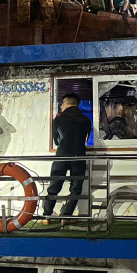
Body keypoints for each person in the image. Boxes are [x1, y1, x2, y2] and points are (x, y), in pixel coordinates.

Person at [42, 93, 93, 224]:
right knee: (76, 188)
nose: (61, 106)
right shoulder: (85, 119)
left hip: (62, 155)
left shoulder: (59, 118)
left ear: (67, 103)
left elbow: (56, 140)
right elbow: (86, 139)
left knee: (54, 186)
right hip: (79, 156)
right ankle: (66, 216)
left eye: (62, 104)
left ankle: (47, 216)